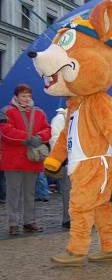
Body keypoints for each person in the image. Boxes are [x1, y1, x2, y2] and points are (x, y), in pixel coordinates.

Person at [0, 84, 51, 235]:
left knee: (30, 193)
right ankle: (13, 223)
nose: (26, 98)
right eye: (23, 96)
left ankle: (29, 221)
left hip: (31, 160)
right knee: (13, 193)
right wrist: (29, 138)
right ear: (16, 97)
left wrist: (40, 137)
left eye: (28, 96)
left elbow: (47, 129)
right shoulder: (7, 111)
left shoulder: (39, 112)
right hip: (13, 160)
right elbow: (6, 133)